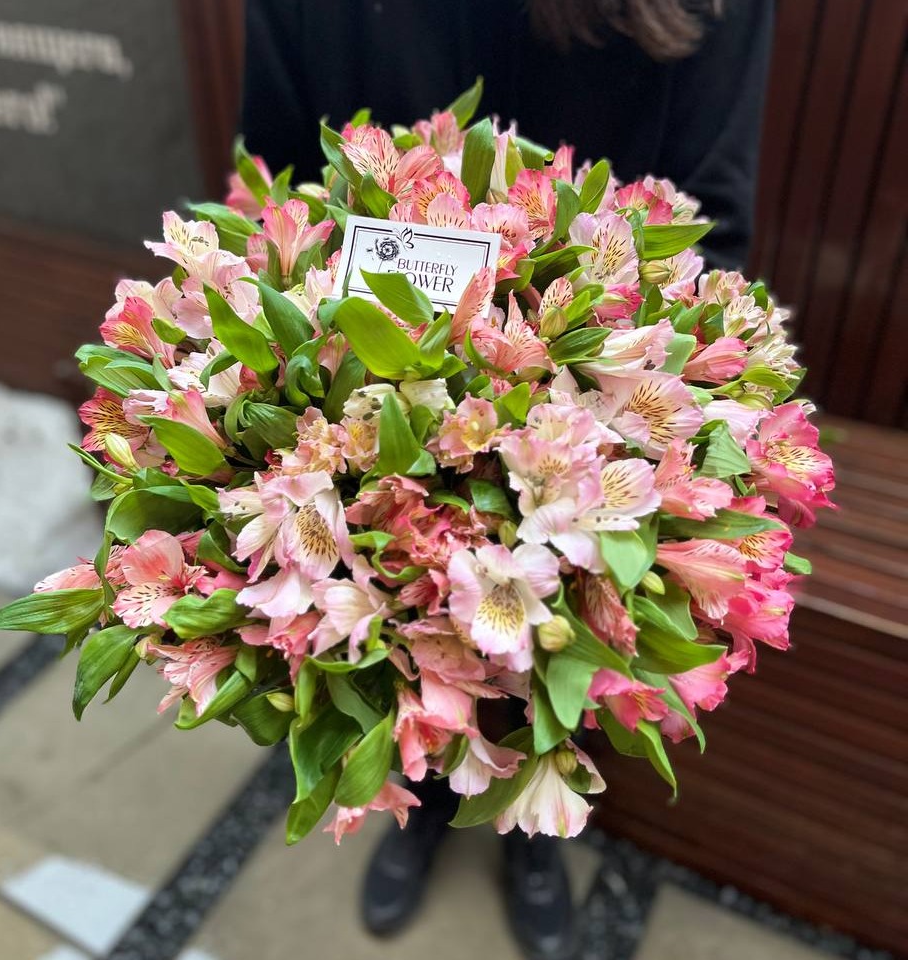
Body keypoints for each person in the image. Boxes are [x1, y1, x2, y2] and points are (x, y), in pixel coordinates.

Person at [240, 2, 774, 956]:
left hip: (605, 390)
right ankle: (427, 780)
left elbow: (712, 220)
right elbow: (275, 181)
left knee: (558, 639)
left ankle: (536, 789)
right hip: (359, 395)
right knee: (406, 627)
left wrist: (651, 387)